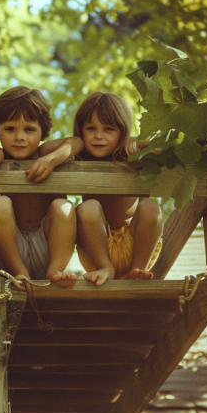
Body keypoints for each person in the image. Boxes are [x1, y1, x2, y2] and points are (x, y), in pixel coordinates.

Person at [0, 87, 83, 287]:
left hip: (48, 243)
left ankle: (56, 271)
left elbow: (75, 142)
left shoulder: (45, 153)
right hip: (10, 250)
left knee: (63, 206)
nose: (19, 137)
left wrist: (52, 160)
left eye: (29, 129)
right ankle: (19, 273)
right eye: (10, 129)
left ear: (42, 132)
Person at [73, 92, 163, 285]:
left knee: (150, 207)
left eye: (108, 129)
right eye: (90, 128)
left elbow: (163, 147)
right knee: (87, 208)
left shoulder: (130, 155)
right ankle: (106, 267)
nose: (98, 136)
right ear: (80, 132)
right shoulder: (79, 159)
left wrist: (132, 144)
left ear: (123, 133)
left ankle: (136, 271)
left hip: (136, 245)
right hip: (96, 248)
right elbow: (49, 149)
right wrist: (74, 145)